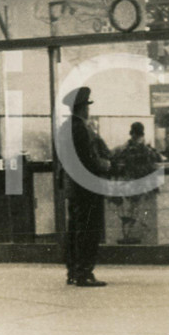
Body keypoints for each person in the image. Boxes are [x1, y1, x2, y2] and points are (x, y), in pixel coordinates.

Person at [60, 86, 111, 287]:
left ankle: (73, 271)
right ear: (83, 108)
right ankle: (84, 273)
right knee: (89, 230)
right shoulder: (81, 128)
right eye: (87, 107)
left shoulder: (64, 127)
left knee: (75, 229)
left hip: (73, 186)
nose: (88, 110)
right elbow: (89, 160)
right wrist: (106, 165)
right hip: (88, 187)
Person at [111, 121, 162, 244]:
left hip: (126, 185)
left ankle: (128, 235)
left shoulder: (122, 149)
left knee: (128, 213)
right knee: (136, 213)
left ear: (131, 133)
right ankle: (131, 236)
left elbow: (114, 159)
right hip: (140, 186)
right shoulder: (147, 150)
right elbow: (157, 160)